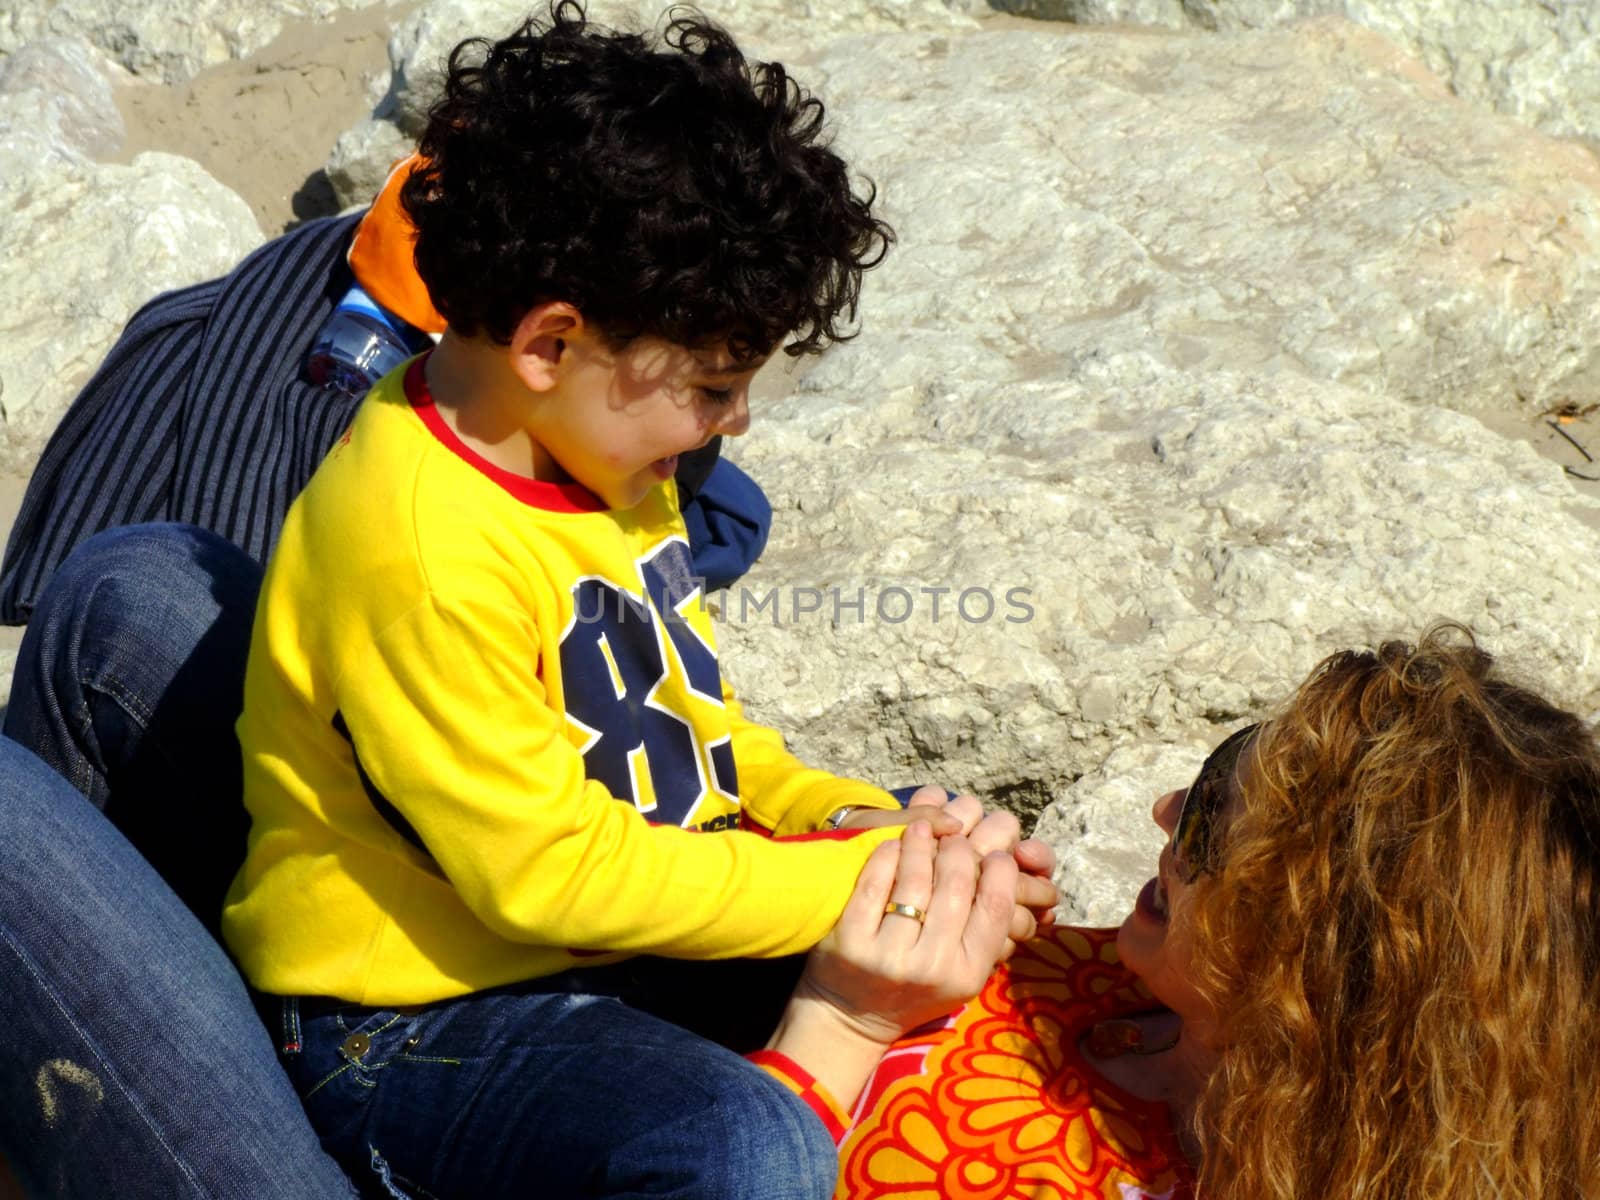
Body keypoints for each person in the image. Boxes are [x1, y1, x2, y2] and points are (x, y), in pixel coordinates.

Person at [211, 5, 1055, 1197]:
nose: (736, 426)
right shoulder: (421, 554)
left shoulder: (594, 457)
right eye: (713, 387)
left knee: (979, 963)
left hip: (601, 935)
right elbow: (547, 875)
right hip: (409, 1017)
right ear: (551, 343)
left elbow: (692, 735)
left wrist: (861, 822)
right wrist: (857, 887)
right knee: (742, 1146)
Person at [754, 625, 1600, 1199]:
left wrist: (841, 1022)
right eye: (1220, 772)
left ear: (1313, 960)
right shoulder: (1122, 979)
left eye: (1206, 826)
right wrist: (860, 833)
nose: (1163, 807)